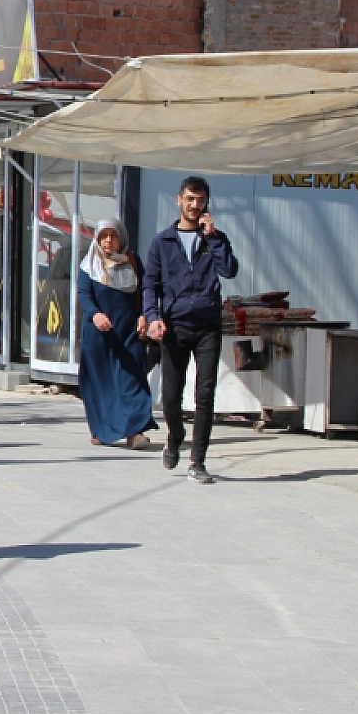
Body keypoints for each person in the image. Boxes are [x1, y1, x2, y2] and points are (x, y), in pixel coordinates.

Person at [143, 176, 238, 483]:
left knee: (205, 394)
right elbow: (151, 285)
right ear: (179, 200)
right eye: (190, 199)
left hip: (208, 325)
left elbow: (229, 270)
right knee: (170, 396)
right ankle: (175, 435)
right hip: (175, 326)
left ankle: (198, 460)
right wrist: (153, 316)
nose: (195, 205)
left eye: (200, 200)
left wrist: (213, 239)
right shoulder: (162, 242)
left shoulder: (214, 239)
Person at [77, 219, 155, 448]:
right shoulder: (89, 264)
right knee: (101, 383)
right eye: (104, 236)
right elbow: (84, 294)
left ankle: (135, 431)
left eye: (114, 235)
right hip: (99, 333)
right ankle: (102, 429)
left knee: (132, 379)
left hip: (129, 330)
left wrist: (144, 315)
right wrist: (95, 315)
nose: (109, 241)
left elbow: (144, 291)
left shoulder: (132, 261)